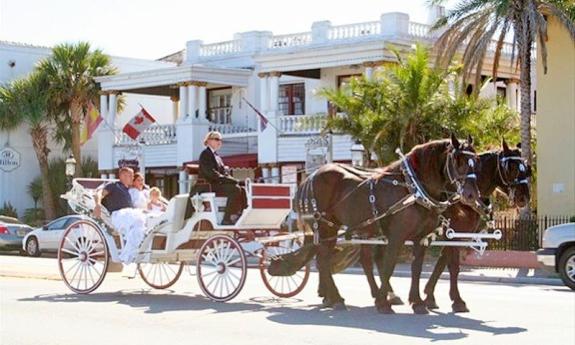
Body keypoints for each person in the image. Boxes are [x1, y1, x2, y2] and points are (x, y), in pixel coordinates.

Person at [93, 167, 146, 264]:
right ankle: (127, 254)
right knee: (138, 220)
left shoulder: (128, 191)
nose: (132, 178)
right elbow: (99, 193)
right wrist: (97, 204)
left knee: (143, 222)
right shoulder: (114, 185)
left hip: (128, 214)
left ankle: (131, 251)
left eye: (132, 175)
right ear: (122, 176)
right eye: (130, 175)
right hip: (118, 214)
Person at [197, 131, 244, 225]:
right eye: (217, 139)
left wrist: (235, 180)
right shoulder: (205, 154)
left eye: (221, 140)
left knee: (242, 189)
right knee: (235, 189)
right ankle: (227, 218)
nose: (220, 142)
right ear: (209, 141)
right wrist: (229, 180)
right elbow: (211, 173)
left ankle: (239, 213)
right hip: (208, 185)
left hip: (217, 184)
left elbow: (224, 173)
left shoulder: (217, 156)